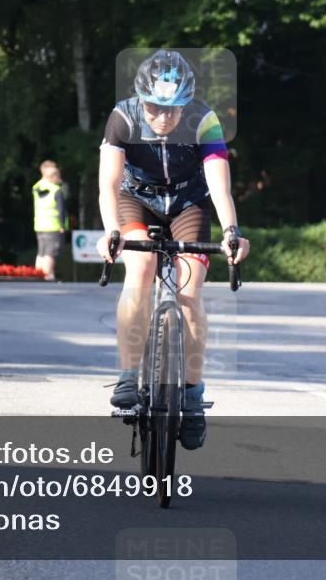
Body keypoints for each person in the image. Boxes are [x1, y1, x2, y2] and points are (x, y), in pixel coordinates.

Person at [96, 50, 250, 450]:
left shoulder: (204, 120)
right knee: (141, 266)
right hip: (138, 201)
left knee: (190, 292)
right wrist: (112, 230)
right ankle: (130, 375)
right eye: (155, 108)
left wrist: (232, 231)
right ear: (140, 99)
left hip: (187, 203)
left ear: (188, 104)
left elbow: (219, 187)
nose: (164, 118)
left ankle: (193, 396)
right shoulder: (123, 117)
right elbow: (109, 185)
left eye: (174, 109)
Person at [32, 160, 68, 281]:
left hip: (40, 226)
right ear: (53, 176)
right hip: (53, 226)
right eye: (57, 175)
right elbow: (61, 210)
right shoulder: (56, 191)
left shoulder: (37, 187)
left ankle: (37, 276)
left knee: (41, 252)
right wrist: (62, 226)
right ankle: (46, 276)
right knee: (51, 252)